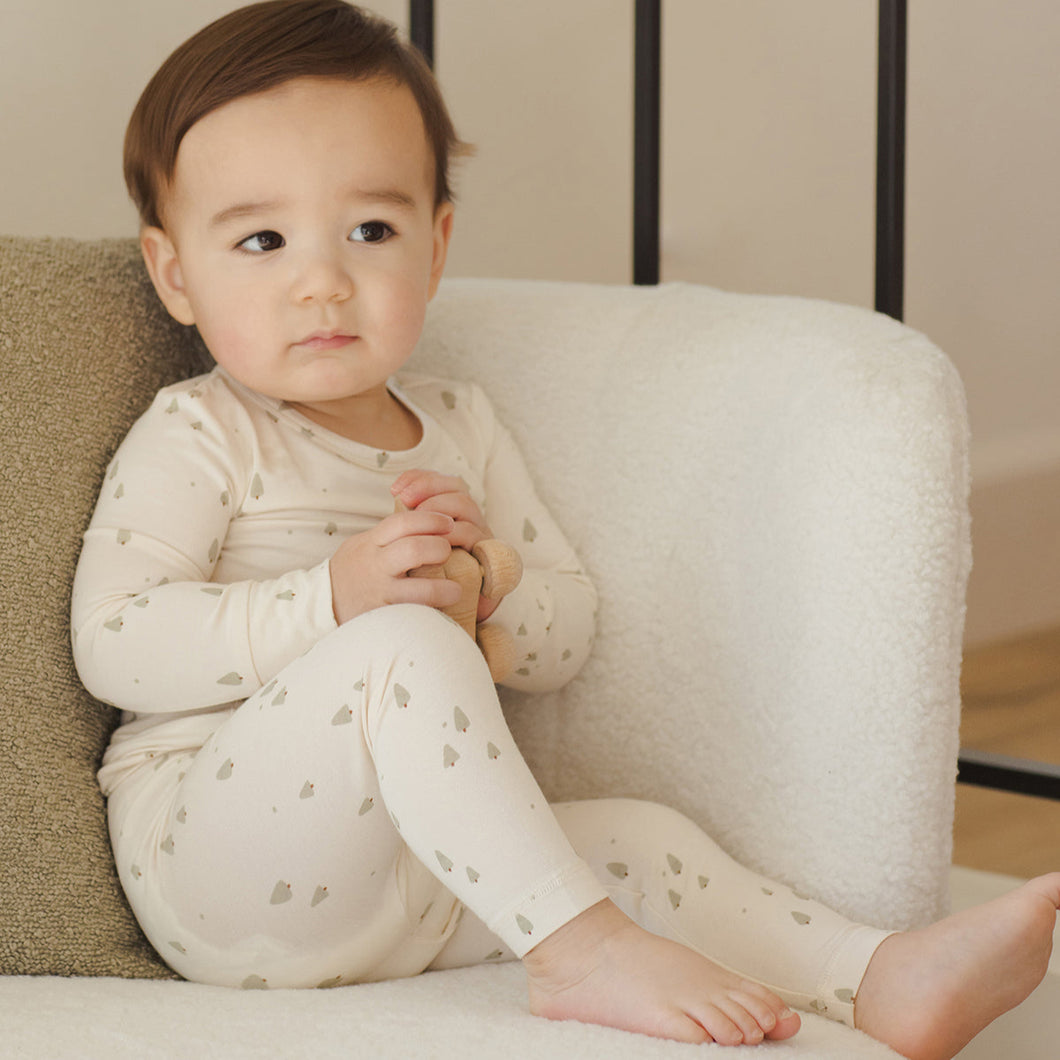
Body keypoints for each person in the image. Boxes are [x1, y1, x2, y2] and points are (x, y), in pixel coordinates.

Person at [71, 2, 1060, 1055]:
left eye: (370, 231)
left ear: (436, 247)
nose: (323, 281)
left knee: (644, 839)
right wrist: (332, 601)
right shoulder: (202, 432)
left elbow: (569, 629)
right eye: (262, 240)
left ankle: (876, 976)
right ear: (175, 274)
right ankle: (582, 951)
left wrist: (488, 600)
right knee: (398, 646)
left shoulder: (459, 426)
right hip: (221, 875)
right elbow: (114, 640)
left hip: (421, 885)